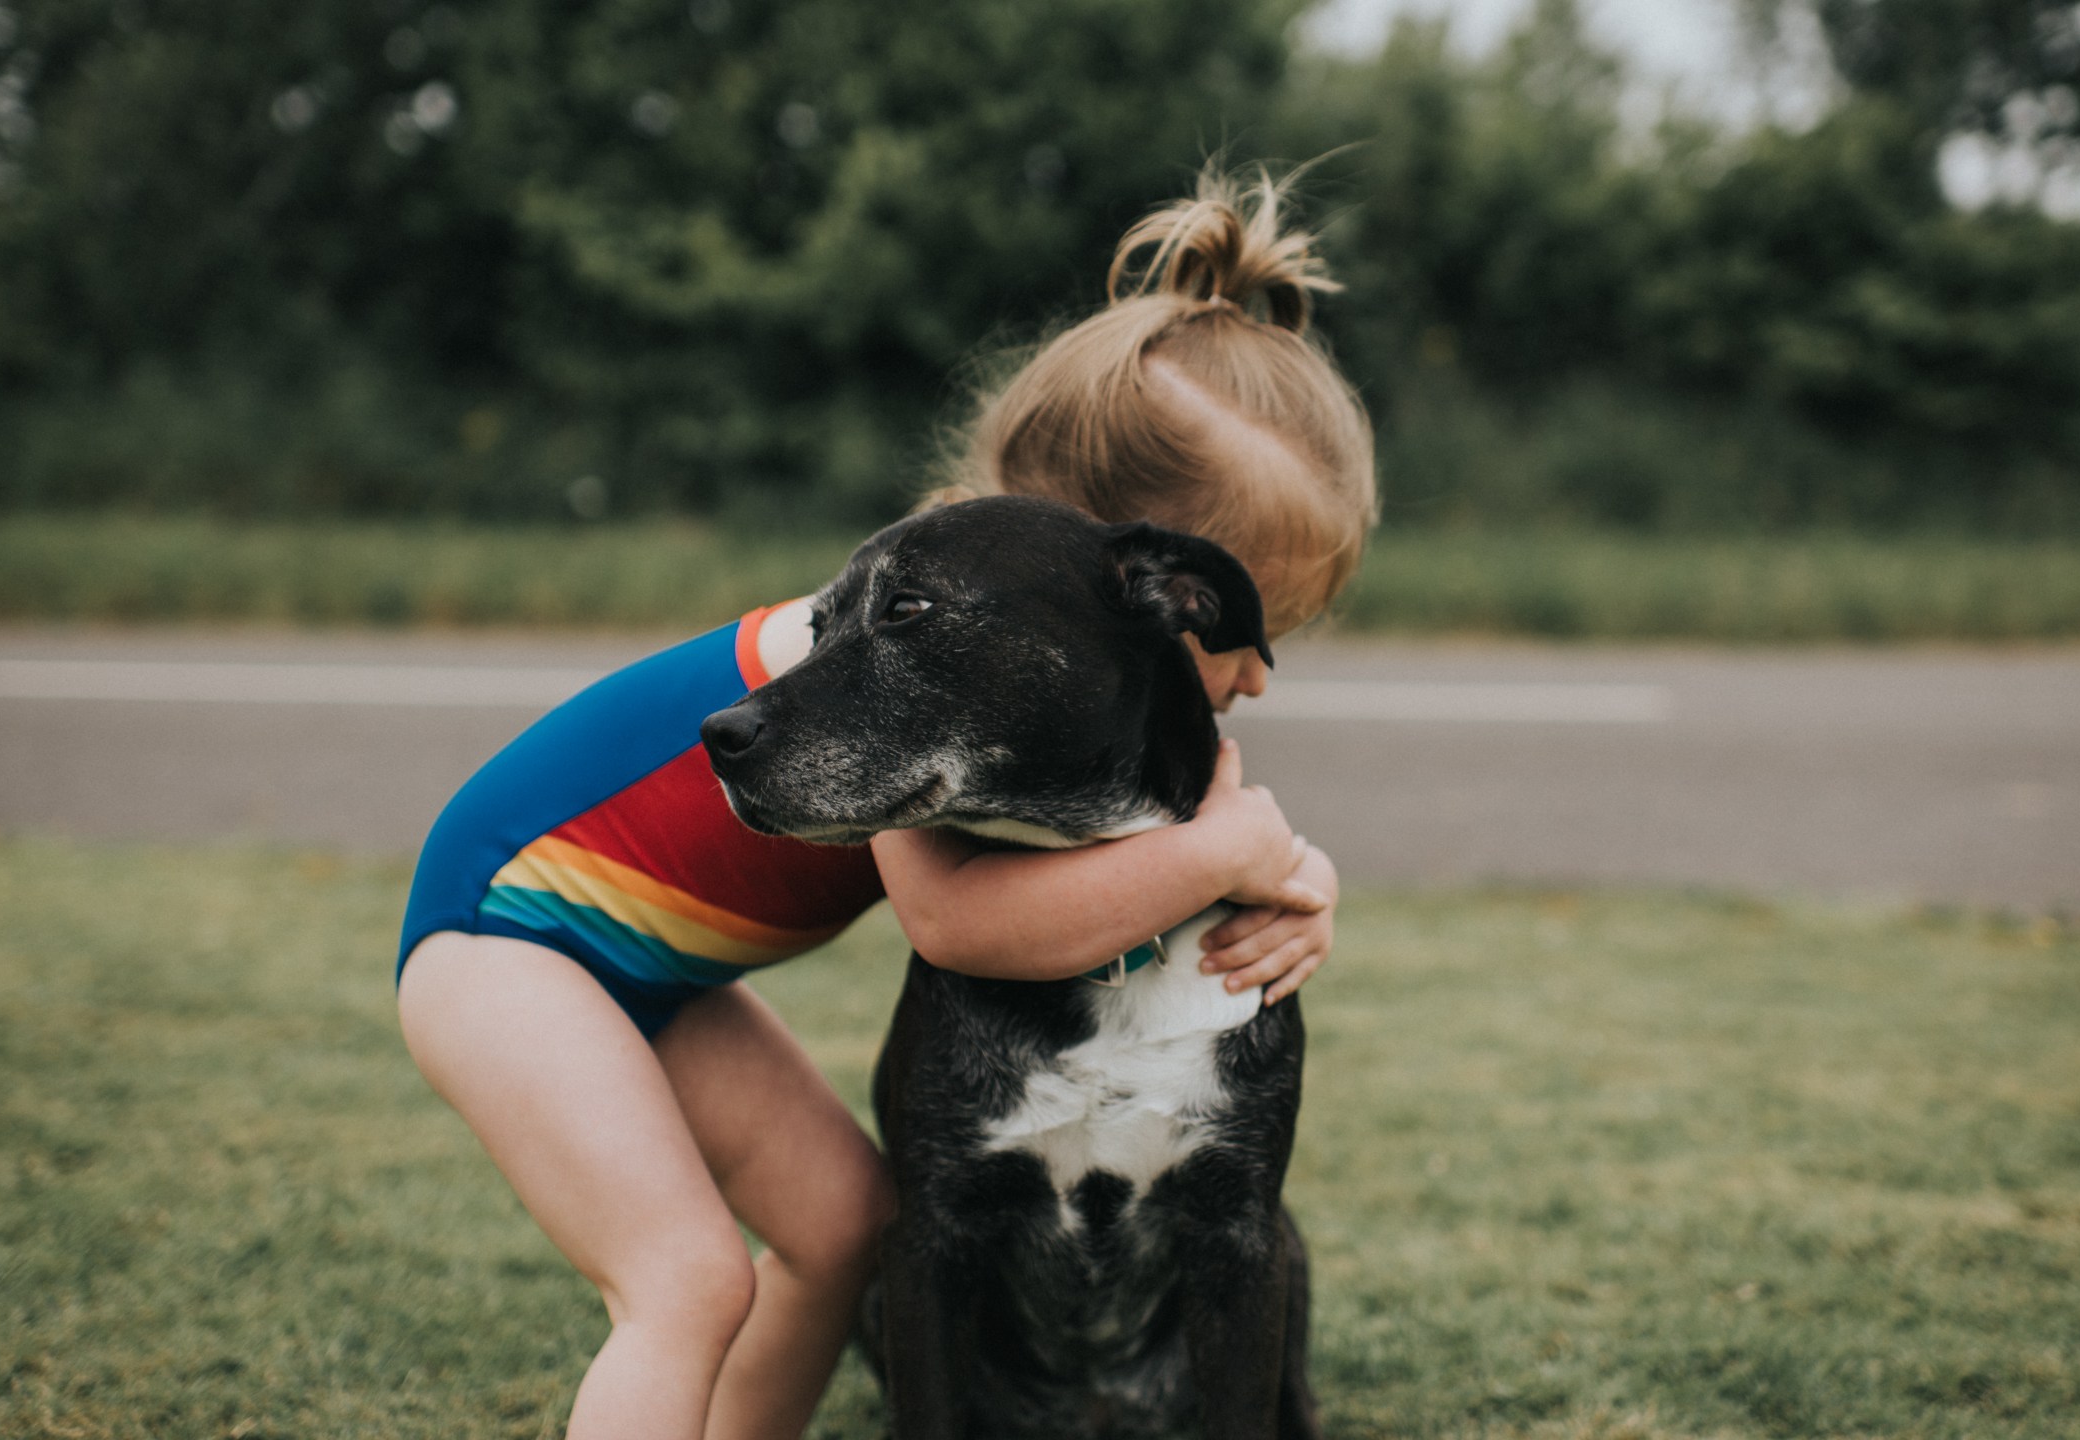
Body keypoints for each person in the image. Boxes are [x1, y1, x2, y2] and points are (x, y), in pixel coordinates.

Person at [394, 167, 1378, 1440]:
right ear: (1109, 573)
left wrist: (1295, 882)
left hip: (651, 967)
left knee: (849, 1224)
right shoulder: (899, 657)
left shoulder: (990, 638)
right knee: (683, 1283)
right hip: (507, 942)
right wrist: (1241, 847)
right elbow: (964, 925)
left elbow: (1183, 851)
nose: (1250, 672)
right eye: (1232, 627)